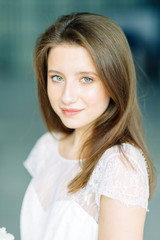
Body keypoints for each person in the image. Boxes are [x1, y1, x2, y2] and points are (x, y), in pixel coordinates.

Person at [20, 12, 155, 240]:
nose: (67, 97)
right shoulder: (48, 146)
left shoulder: (120, 165)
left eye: (86, 79)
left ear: (114, 81)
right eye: (57, 77)